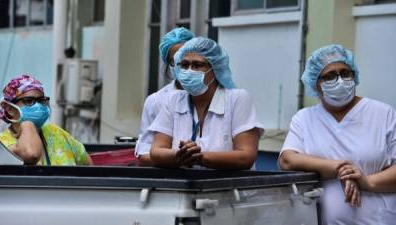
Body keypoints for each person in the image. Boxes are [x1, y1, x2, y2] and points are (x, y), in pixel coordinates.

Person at [278, 44, 396, 224]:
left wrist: (365, 181)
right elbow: (287, 160)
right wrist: (338, 168)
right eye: (330, 76)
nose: (340, 80)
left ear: (354, 76)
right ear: (316, 84)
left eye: (345, 73)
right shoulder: (304, 118)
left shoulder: (383, 114)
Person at [149, 37, 264, 170]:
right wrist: (180, 155)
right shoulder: (173, 99)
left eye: (197, 65)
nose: (189, 71)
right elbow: (156, 152)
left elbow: (246, 157)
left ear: (215, 68)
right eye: (185, 65)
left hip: (228, 188)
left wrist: (199, 157)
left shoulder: (237, 99)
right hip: (184, 187)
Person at [0, 75, 92, 166]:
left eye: (41, 100)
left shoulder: (56, 133)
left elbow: (86, 162)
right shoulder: (1, 145)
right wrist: (28, 125)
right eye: (29, 101)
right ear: (10, 109)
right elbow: (31, 153)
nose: (38, 106)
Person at [135, 27, 194, 166]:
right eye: (176, 60)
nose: (184, 66)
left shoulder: (214, 96)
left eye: (187, 59)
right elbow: (144, 153)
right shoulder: (156, 101)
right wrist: (176, 160)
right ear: (169, 64)